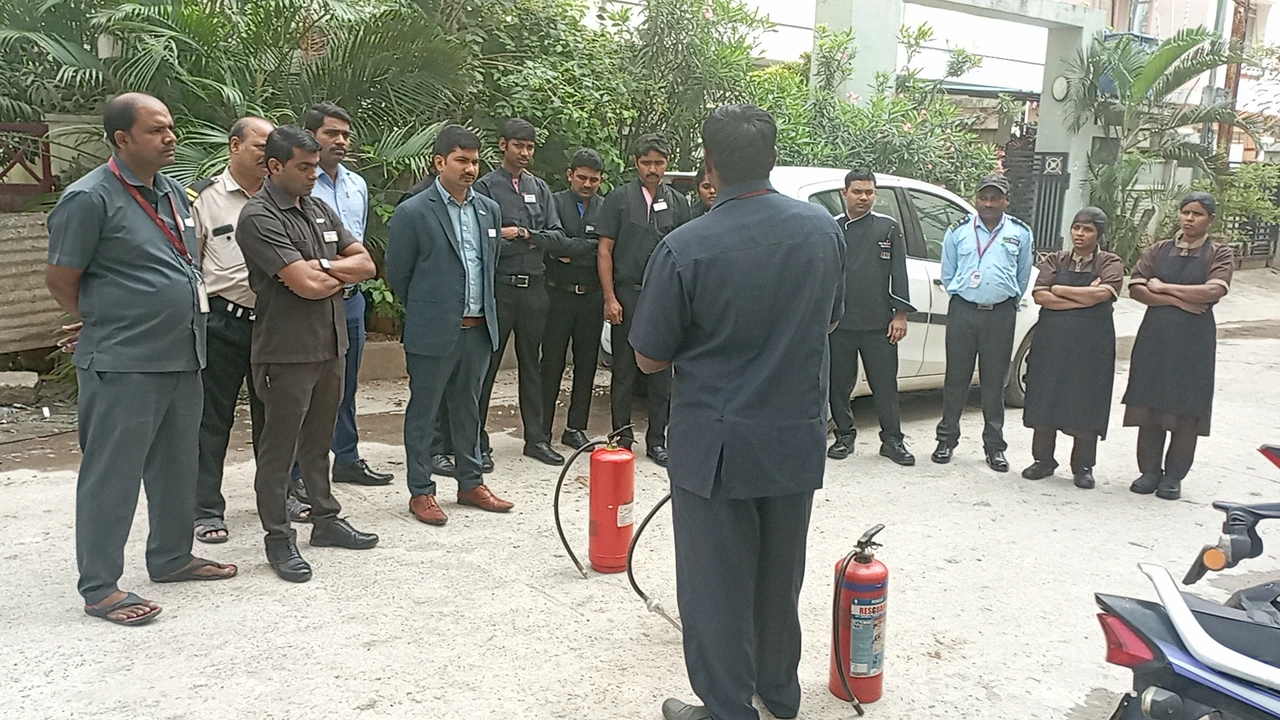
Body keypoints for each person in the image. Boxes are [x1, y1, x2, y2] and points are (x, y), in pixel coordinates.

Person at [630, 104, 845, 720]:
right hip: (794, 438)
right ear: (772, 158)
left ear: (709, 165)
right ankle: (779, 694)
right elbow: (831, 320)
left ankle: (727, 708)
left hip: (717, 449)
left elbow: (648, 357)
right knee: (779, 579)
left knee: (715, 590)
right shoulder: (822, 230)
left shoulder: (684, 247)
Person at [45, 92, 236, 626]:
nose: (170, 137)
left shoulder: (173, 192)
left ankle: (172, 557)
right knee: (113, 475)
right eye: (156, 130)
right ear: (122, 138)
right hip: (124, 362)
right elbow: (61, 278)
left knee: (178, 466)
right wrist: (103, 318)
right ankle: (100, 587)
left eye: (170, 127)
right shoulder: (89, 199)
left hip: (183, 354)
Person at [235, 125, 380, 582]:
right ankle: (279, 539)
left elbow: (367, 264)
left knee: (319, 444)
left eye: (316, 166)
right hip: (286, 352)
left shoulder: (317, 207)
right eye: (304, 167)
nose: (314, 174)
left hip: (330, 345)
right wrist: (331, 274)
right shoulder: (259, 216)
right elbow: (306, 285)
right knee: (278, 452)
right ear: (274, 166)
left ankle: (325, 520)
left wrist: (321, 267)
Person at [386, 124, 516, 527]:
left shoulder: (488, 210)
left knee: (469, 409)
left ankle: (470, 483)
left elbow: (489, 266)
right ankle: (421, 490)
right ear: (439, 162)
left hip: (478, 330)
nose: (470, 169)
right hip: (433, 330)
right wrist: (433, 310)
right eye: (461, 160)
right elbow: (398, 274)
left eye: (475, 161)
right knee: (424, 413)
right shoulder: (413, 211)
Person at [465, 118, 585, 469]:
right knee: (487, 366)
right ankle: (477, 441)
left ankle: (536, 439)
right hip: (500, 289)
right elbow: (486, 240)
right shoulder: (486, 187)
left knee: (533, 365)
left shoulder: (540, 189)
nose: (525, 152)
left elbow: (558, 237)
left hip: (534, 288)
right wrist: (530, 238)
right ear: (503, 145)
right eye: (518, 145)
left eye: (530, 147)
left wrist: (523, 234)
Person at [293, 101, 394, 488]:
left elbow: (360, 254)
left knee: (345, 385)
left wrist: (339, 271)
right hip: (310, 303)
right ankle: (297, 473)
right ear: (311, 136)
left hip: (350, 300)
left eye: (345, 135)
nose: (340, 141)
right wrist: (333, 269)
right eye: (331, 133)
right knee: (307, 390)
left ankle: (347, 458)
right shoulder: (298, 185)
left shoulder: (357, 185)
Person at [188, 115, 275, 543]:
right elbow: (189, 265)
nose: (267, 154)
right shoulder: (204, 199)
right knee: (211, 419)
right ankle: (205, 509)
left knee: (274, 419)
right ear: (235, 146)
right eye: (260, 145)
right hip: (223, 322)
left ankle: (277, 500)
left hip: (275, 325)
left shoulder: (283, 196)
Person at [1122, 192, 1234, 500]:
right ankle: (1149, 471)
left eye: (1197, 214)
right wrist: (1180, 302)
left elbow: (1213, 291)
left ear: (1210, 219)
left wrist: (1164, 287)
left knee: (1187, 408)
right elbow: (1137, 288)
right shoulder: (1159, 249)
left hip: (1194, 344)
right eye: (1186, 212)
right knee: (1150, 402)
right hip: (1155, 338)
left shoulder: (1219, 253)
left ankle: (1173, 476)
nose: (1189, 218)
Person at [598, 132, 692, 465]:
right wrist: (610, 297)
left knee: (661, 373)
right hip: (628, 294)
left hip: (664, 297)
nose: (653, 169)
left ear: (667, 163)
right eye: (646, 162)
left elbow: (686, 252)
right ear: (636, 163)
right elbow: (604, 250)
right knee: (624, 369)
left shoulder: (678, 202)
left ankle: (657, 440)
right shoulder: (618, 199)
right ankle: (622, 436)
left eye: (659, 162)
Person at [931, 172, 1033, 472]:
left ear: (1006, 201)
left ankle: (994, 447)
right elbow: (948, 273)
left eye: (995, 198)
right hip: (963, 311)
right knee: (956, 379)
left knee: (994, 381)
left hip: (1000, 314)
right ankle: (946, 440)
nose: (988, 203)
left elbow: (1023, 275)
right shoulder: (959, 230)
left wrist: (1004, 300)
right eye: (983, 197)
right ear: (976, 199)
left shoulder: (1020, 232)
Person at [1021, 207, 1124, 489]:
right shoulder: (1055, 259)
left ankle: (1083, 466)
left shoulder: (1110, 262)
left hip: (1092, 345)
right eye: (1077, 228)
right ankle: (1043, 460)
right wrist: (1085, 298)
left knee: (1086, 399)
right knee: (1046, 394)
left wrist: (1060, 290)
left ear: (1099, 234)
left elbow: (1104, 293)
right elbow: (1041, 296)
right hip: (1052, 341)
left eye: (1087, 229)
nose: (1080, 234)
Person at [826, 168, 915, 465]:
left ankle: (892, 440)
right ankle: (844, 435)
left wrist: (900, 314)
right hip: (839, 323)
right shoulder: (833, 228)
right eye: (857, 192)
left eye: (869, 192)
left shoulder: (888, 228)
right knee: (839, 385)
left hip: (880, 323)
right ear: (845, 193)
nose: (863, 197)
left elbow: (899, 272)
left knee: (885, 386)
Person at [540, 148, 607, 449]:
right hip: (558, 295)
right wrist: (587, 247)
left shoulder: (606, 208)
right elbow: (551, 244)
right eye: (582, 178)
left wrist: (571, 248)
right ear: (570, 175)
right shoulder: (554, 203)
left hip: (591, 296)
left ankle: (575, 428)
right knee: (551, 362)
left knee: (587, 364)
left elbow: (606, 249)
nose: (587, 184)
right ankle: (542, 429)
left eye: (594, 179)